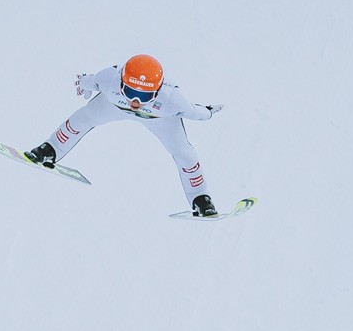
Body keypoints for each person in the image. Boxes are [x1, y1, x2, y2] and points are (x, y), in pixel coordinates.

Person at [24, 54, 224, 216]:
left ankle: (201, 199)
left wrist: (208, 112)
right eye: (130, 91)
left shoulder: (172, 100)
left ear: (157, 92)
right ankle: (49, 150)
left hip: (159, 118)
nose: (136, 101)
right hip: (114, 106)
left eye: (144, 95)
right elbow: (91, 80)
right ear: (121, 83)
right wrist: (84, 83)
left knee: (184, 153)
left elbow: (194, 112)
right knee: (82, 118)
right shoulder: (108, 79)